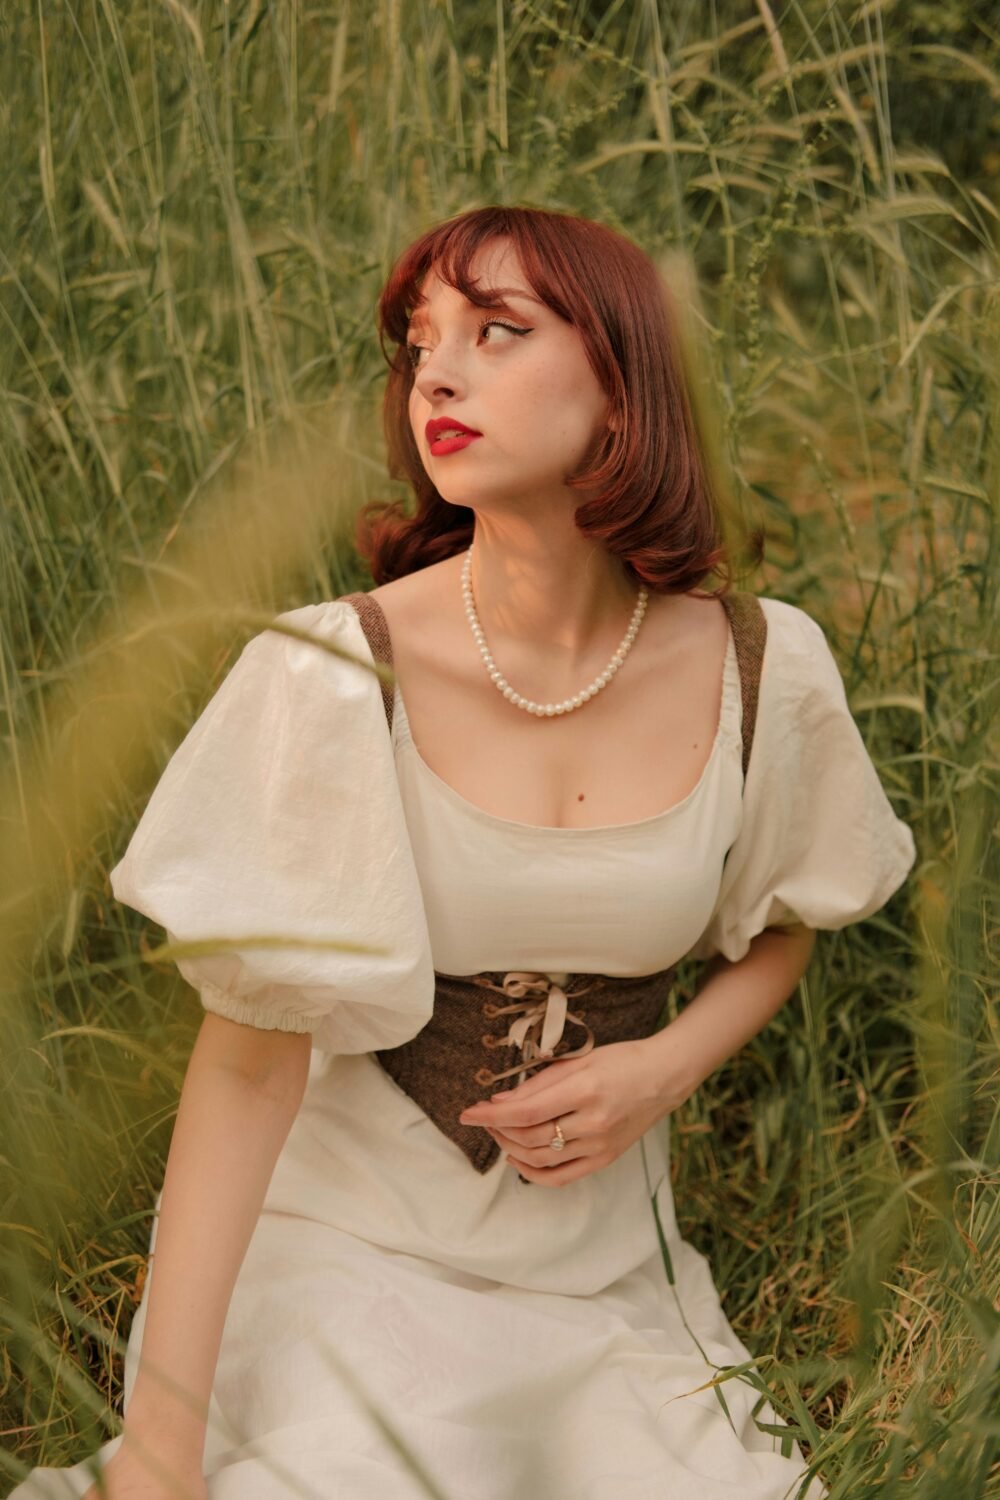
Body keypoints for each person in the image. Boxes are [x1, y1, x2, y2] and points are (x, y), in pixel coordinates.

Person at [12, 205, 916, 1500]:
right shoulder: (333, 672)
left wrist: (662, 1065)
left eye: (498, 332)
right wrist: (163, 1444)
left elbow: (789, 920)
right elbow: (249, 1067)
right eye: (423, 340)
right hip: (345, 1255)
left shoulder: (762, 670)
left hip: (610, 1287)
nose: (437, 371)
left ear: (622, 388)